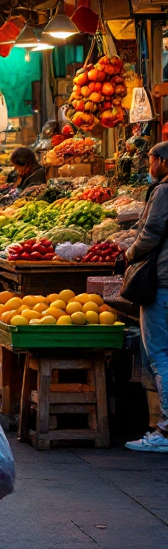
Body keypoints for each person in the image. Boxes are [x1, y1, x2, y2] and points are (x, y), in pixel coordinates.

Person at [124, 140, 168, 453]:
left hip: (162, 281)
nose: (149, 166)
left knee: (160, 353)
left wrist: (129, 253)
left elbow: (151, 232)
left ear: (163, 162)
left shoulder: (164, 190)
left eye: (151, 160)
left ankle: (164, 430)